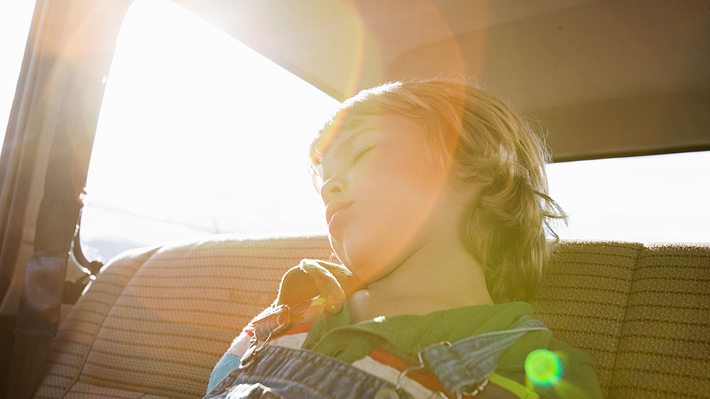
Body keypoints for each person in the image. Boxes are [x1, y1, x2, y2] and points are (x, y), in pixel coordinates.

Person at [204, 79, 602, 398]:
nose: (329, 188)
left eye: (361, 153)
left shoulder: (529, 363)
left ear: (478, 166)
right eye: (324, 181)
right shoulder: (286, 312)